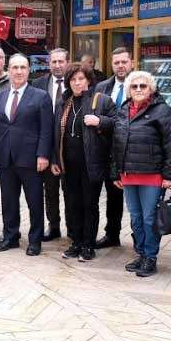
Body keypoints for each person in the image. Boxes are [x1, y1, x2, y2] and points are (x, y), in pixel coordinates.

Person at [111, 71, 171, 277]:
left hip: (152, 175)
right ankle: (141, 254)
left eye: (143, 86)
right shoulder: (123, 110)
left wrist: (170, 175)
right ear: (129, 90)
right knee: (136, 218)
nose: (139, 89)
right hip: (128, 175)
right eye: (134, 86)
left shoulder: (162, 111)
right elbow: (116, 144)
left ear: (151, 89)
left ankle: (150, 257)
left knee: (150, 219)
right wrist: (115, 173)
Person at [0, 54, 53, 256]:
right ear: (9, 70)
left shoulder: (40, 96)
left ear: (28, 70)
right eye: (15, 67)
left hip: (31, 159)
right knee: (8, 201)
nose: (19, 71)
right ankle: (10, 237)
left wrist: (43, 155)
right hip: (5, 158)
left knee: (34, 202)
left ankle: (35, 240)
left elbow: (46, 130)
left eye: (23, 67)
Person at [50, 63, 116, 261]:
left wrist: (100, 121)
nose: (77, 83)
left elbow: (118, 124)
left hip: (91, 164)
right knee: (73, 205)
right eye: (73, 79)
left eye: (81, 79)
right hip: (69, 165)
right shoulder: (64, 102)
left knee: (89, 205)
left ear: (88, 80)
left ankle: (88, 245)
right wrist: (55, 159)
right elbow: (56, 133)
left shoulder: (101, 100)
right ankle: (76, 242)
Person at [93, 46, 134, 249]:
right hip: (105, 148)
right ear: (111, 64)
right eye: (116, 62)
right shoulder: (101, 87)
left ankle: (139, 238)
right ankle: (112, 234)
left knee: (135, 199)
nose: (120, 66)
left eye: (124, 62)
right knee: (112, 195)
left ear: (132, 63)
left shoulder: (140, 84)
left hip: (131, 149)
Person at [31, 48, 70, 241]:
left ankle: (73, 228)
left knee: (70, 192)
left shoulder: (76, 82)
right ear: (49, 63)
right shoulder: (38, 84)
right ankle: (53, 226)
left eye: (61, 61)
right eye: (54, 62)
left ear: (67, 62)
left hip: (69, 148)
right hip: (46, 146)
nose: (57, 65)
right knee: (50, 191)